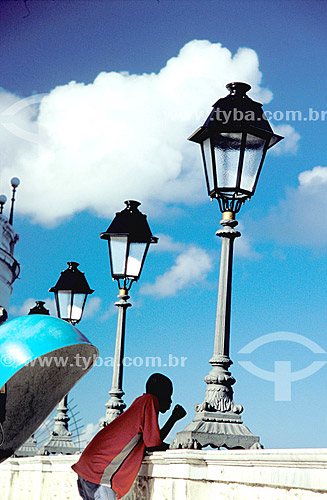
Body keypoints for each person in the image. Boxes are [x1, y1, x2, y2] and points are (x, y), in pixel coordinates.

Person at [72, 373, 187, 500]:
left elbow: (152, 440)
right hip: (99, 478)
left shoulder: (140, 403)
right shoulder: (150, 400)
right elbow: (153, 445)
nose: (170, 401)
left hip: (86, 471)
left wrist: (173, 418)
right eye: (168, 395)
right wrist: (175, 446)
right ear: (160, 393)